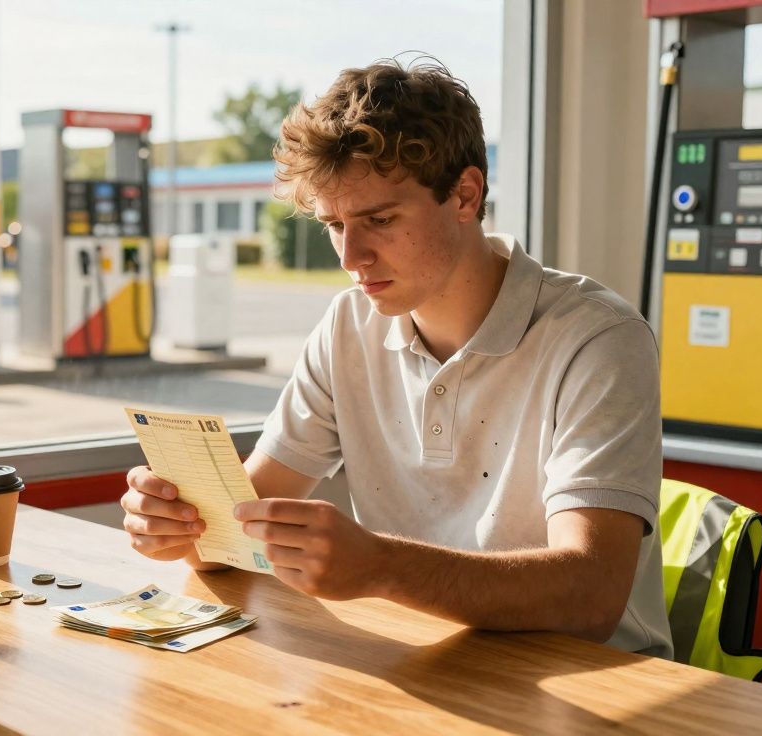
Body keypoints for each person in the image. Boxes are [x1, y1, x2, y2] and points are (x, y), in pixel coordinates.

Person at [123, 58, 672, 658]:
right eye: (334, 225)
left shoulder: (599, 337)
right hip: (423, 661)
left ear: (465, 195)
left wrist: (382, 567)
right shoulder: (347, 325)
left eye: (379, 220)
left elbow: (590, 596)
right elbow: (234, 526)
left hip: (592, 687)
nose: (351, 257)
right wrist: (179, 526)